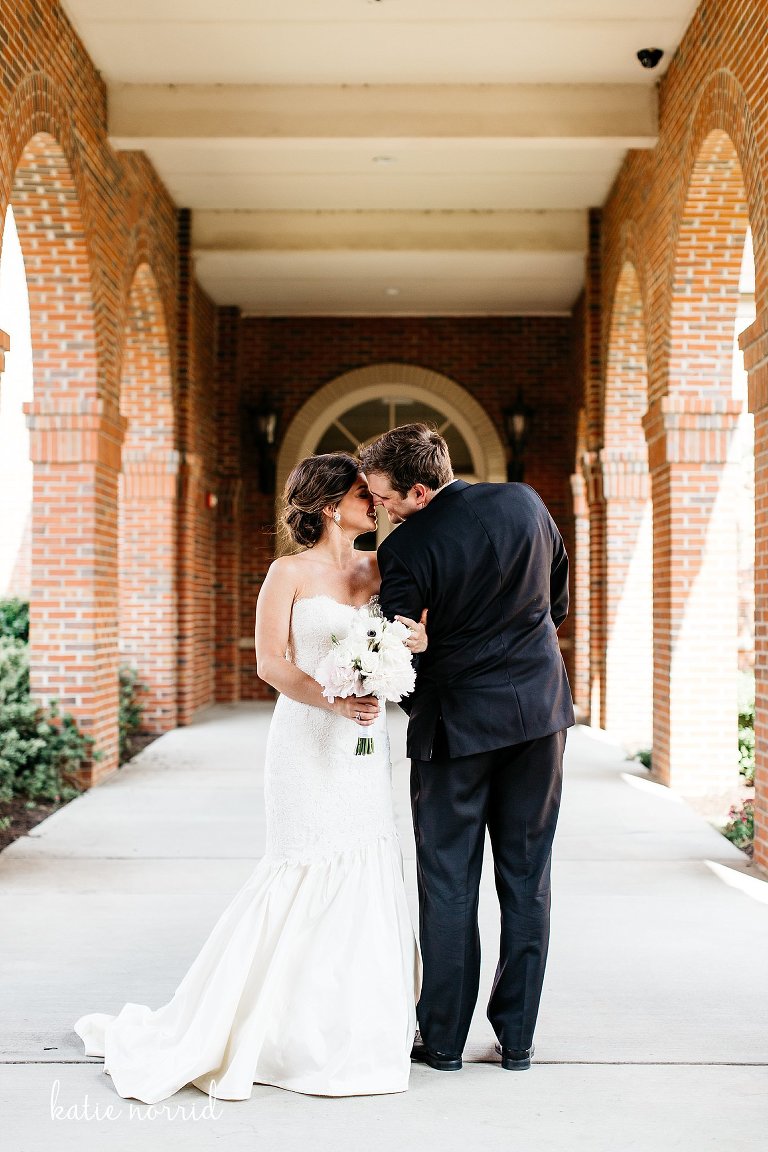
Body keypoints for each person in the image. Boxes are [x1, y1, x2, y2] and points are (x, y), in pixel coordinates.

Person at [73, 452, 425, 1102]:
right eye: (361, 493)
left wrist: (411, 648)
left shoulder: (380, 568)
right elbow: (270, 663)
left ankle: (348, 1029)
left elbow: (404, 634)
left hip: (363, 746)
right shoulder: (287, 572)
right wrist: (335, 700)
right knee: (303, 863)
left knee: (365, 861)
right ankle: (271, 1030)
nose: (373, 502)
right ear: (330, 506)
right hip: (308, 738)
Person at [359, 424, 574, 1074]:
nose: (381, 508)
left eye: (385, 497)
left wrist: (437, 662)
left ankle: (445, 1041)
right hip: (539, 717)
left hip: (455, 729)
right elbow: (557, 598)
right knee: (528, 878)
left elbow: (399, 650)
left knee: (449, 881)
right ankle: (518, 1040)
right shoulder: (525, 502)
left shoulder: (407, 547)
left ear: (419, 492)